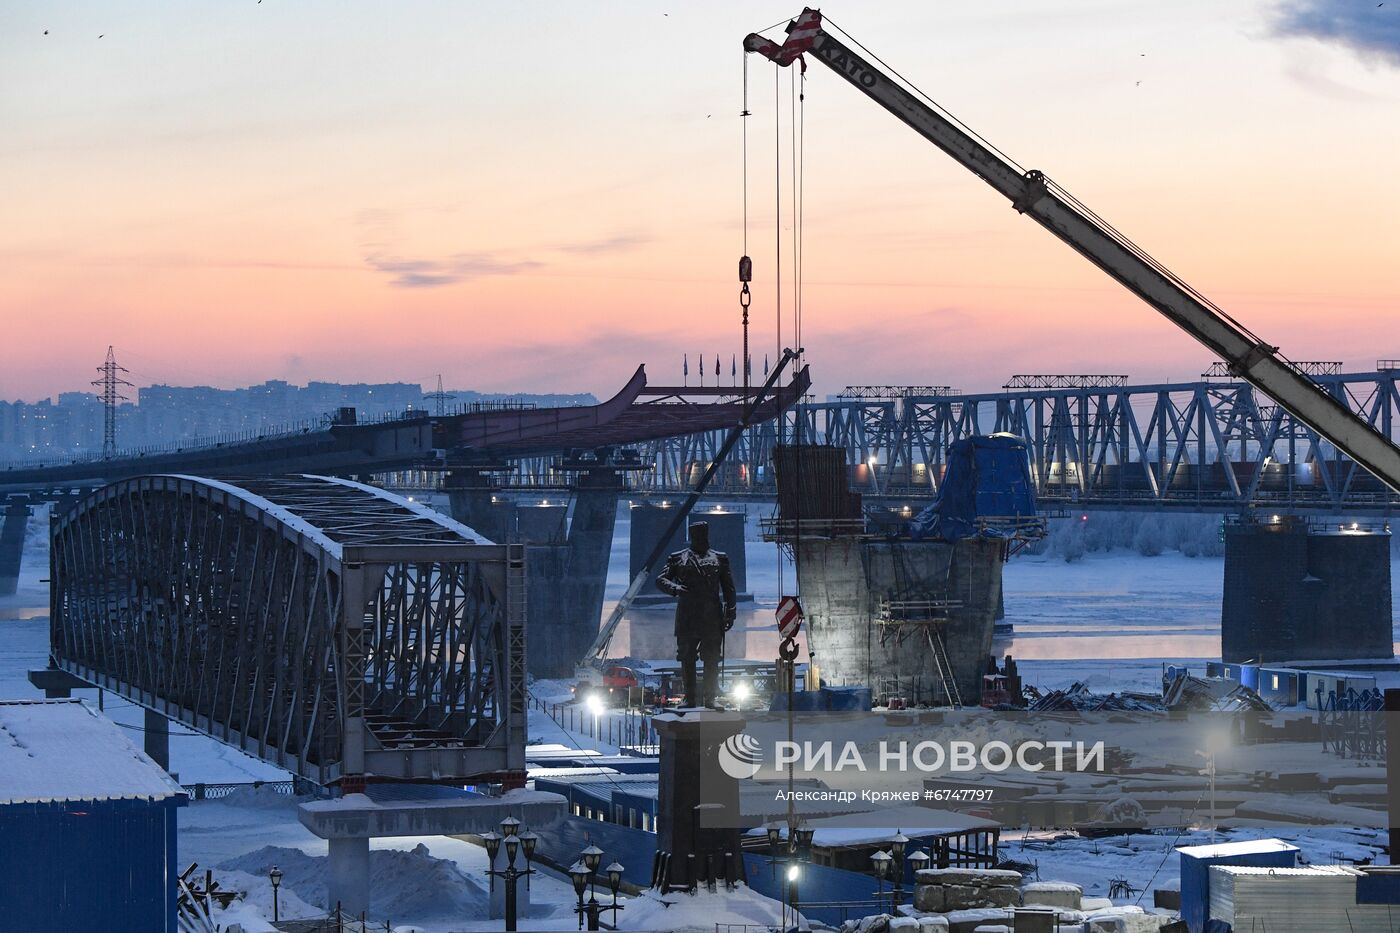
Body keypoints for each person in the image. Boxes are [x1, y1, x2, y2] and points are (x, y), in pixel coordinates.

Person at [655, 522, 737, 708]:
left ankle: (710, 699)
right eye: (697, 535)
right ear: (692, 536)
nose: (700, 538)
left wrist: (730, 613)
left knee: (712, 660)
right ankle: (690, 699)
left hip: (712, 617)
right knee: (686, 658)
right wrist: (675, 589)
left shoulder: (719, 558)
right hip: (687, 617)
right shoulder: (677, 558)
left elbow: (729, 588)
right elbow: (660, 580)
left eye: (703, 535)